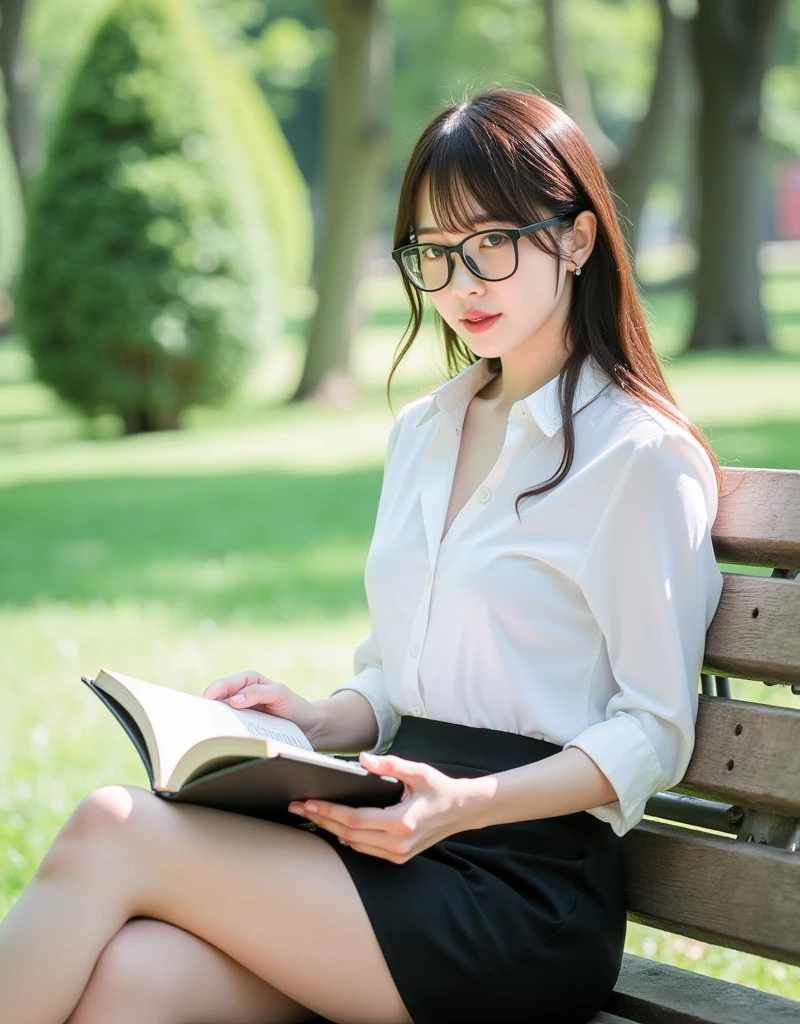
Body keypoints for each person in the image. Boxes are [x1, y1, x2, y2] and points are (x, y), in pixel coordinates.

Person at [0, 87, 725, 1024]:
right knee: (135, 979)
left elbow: (654, 730)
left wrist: (462, 804)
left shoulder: (638, 456)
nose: (464, 282)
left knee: (111, 827)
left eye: (493, 243)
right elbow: (400, 678)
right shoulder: (427, 433)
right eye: (434, 253)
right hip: (389, 838)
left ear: (579, 239)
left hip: (521, 889)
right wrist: (316, 716)